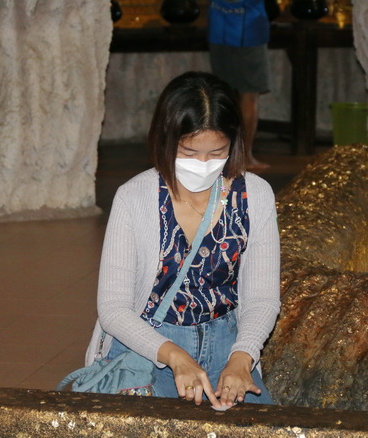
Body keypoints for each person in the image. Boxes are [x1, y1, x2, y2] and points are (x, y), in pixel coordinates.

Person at [83, 71, 280, 409]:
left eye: (217, 152)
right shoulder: (135, 197)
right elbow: (113, 309)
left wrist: (242, 356)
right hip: (149, 350)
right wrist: (174, 356)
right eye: (189, 152)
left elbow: (262, 298)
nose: (203, 164)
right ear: (166, 140)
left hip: (226, 346)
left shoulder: (255, 195)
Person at [207, 0, 272, 171]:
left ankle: (219, 154)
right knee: (249, 95)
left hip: (219, 27)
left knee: (221, 96)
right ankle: (244, 157)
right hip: (249, 29)